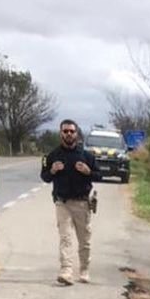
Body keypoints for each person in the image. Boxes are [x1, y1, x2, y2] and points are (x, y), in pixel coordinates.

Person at [40, 119, 96, 285]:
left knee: (84, 240)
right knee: (65, 238)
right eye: (65, 131)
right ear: (60, 134)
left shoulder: (87, 156)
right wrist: (52, 170)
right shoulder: (53, 156)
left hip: (82, 203)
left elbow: (98, 175)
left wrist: (88, 171)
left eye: (72, 131)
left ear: (77, 133)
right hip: (62, 202)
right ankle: (66, 271)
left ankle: (84, 269)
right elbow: (44, 177)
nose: (69, 134)